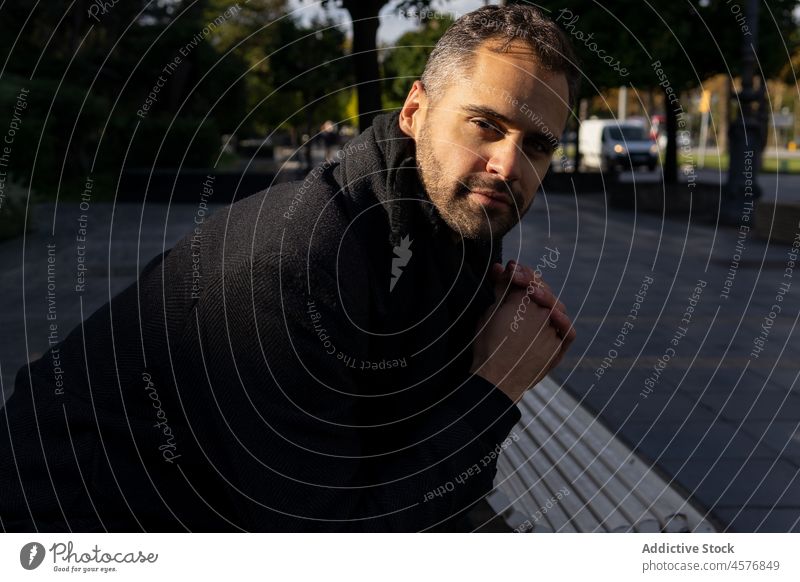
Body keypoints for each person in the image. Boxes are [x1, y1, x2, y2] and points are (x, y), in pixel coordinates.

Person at [0, 4, 578, 532]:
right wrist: (496, 385)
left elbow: (413, 478)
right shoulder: (291, 268)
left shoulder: (456, 234)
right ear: (414, 112)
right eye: (486, 125)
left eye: (536, 146)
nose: (507, 163)